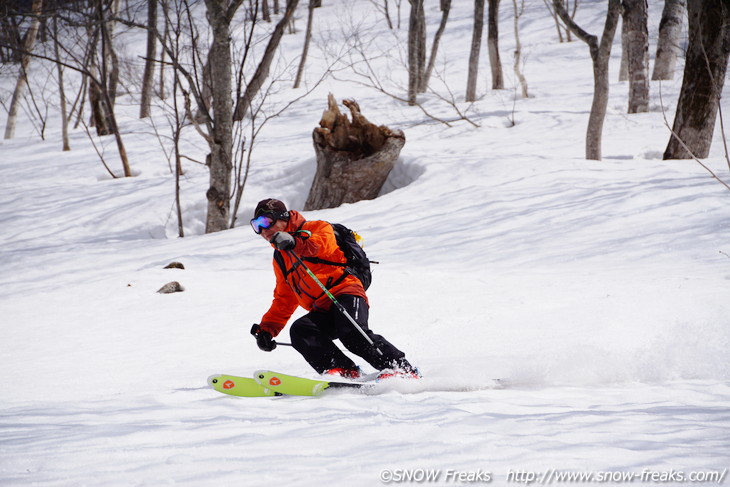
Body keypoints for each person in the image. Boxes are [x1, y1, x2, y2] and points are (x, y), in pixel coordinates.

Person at [249, 198, 419, 379]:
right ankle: (344, 371)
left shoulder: (317, 228)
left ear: (283, 218)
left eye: (266, 222)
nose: (262, 230)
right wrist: (267, 329)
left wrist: (294, 243)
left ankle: (400, 369)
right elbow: (285, 297)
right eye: (256, 225)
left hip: (346, 291)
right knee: (301, 331)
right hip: (322, 307)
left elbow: (319, 247)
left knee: (352, 333)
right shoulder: (281, 258)